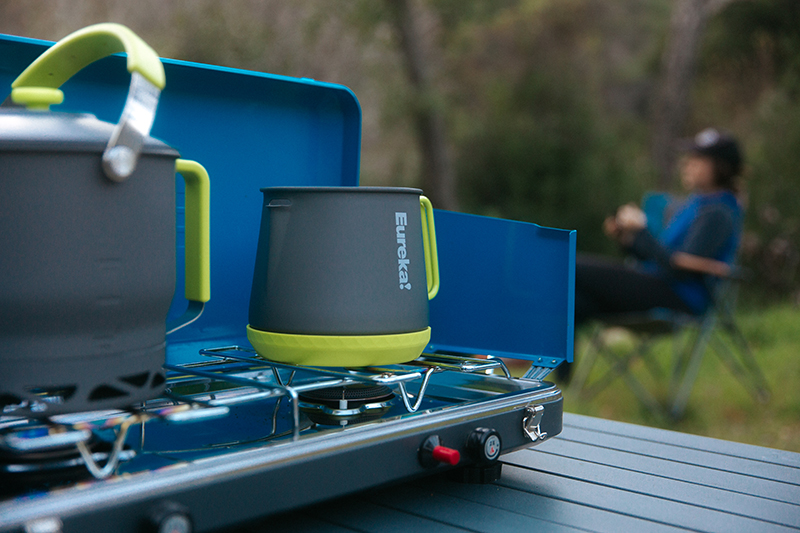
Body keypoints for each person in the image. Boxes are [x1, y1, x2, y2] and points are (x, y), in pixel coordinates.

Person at [557, 128, 744, 381]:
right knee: (574, 301)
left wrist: (641, 230)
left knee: (569, 265)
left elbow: (676, 265)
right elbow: (661, 257)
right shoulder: (698, 204)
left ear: (721, 167)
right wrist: (627, 238)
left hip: (680, 298)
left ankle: (557, 383)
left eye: (698, 159)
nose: (687, 164)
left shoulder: (718, 212)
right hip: (659, 285)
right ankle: (560, 385)